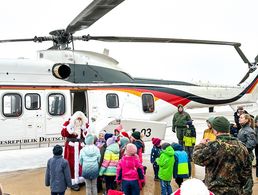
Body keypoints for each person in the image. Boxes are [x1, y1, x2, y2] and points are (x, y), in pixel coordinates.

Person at [193, 116, 253, 195]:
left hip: (215, 191)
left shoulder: (214, 146)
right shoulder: (242, 147)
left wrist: (201, 144)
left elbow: (196, 158)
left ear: (215, 131)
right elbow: (247, 172)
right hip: (235, 191)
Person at [61, 111, 89, 191]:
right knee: (71, 164)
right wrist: (70, 128)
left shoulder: (84, 125)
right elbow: (63, 133)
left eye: (80, 119)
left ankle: (80, 179)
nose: (79, 121)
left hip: (80, 147)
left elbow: (87, 133)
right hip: (71, 148)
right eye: (78, 119)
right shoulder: (69, 123)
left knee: (81, 163)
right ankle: (72, 182)